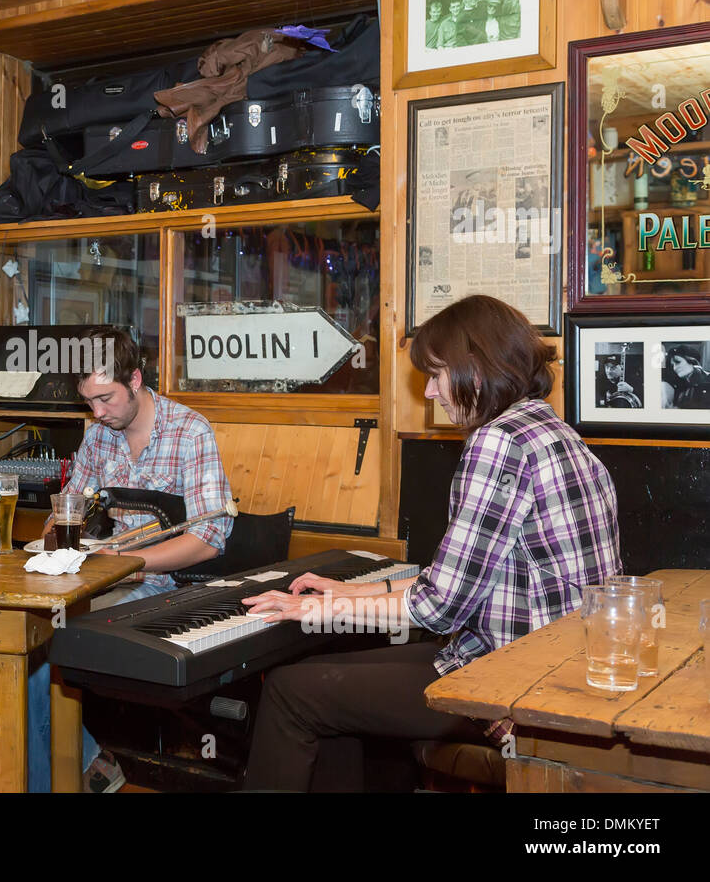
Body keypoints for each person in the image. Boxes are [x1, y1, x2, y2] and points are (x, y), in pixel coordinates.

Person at [242, 295, 621, 791]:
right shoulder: (554, 431)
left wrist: (314, 611)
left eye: (437, 375)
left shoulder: (499, 442)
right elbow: (467, 583)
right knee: (321, 678)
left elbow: (441, 608)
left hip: (510, 683)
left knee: (293, 692)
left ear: (476, 373)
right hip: (552, 665)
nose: (429, 392)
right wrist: (347, 594)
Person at [29, 327, 234, 793]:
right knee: (6, 635)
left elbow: (209, 538)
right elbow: (69, 507)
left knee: (37, 647)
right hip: (104, 575)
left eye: (106, 399)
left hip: (166, 582)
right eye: (89, 403)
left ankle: (62, 775)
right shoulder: (100, 434)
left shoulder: (190, 431)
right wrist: (53, 537)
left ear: (136, 379)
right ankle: (84, 762)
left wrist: (131, 563)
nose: (98, 413)